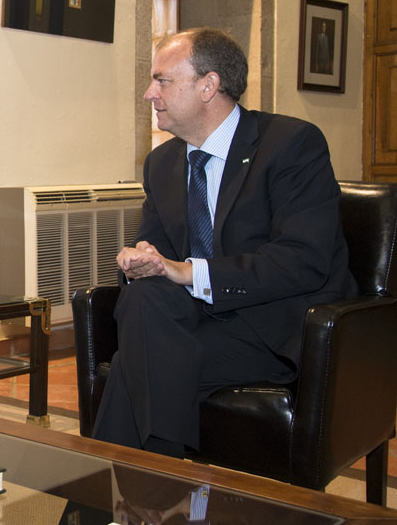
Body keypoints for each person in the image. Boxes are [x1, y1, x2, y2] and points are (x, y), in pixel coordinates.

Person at [91, 28, 356, 457]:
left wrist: (189, 271)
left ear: (208, 86)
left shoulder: (291, 145)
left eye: (162, 80)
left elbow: (303, 259)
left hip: (269, 323)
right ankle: (159, 499)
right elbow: (155, 251)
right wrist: (144, 261)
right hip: (191, 317)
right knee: (142, 301)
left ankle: (126, 497)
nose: (148, 93)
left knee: (132, 365)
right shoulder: (162, 163)